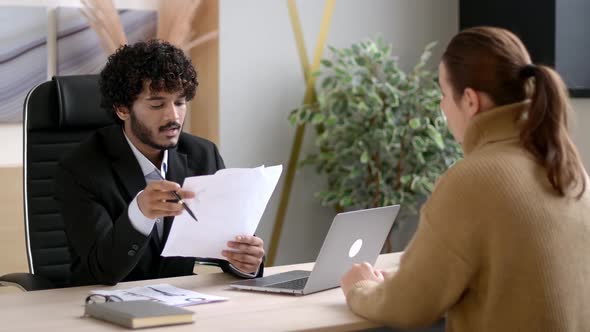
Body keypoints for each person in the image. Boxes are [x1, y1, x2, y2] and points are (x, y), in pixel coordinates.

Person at [340, 26, 590, 331]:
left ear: (471, 100)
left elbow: (409, 307)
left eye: (445, 95)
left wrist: (360, 288)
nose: (443, 107)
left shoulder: (473, 179)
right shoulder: (566, 166)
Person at [55, 40, 264, 286]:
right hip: (99, 306)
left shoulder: (203, 154)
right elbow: (103, 271)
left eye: (180, 102)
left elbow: (222, 247)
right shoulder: (80, 169)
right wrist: (140, 214)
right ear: (122, 109)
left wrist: (245, 261)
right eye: (157, 104)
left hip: (180, 303)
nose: (173, 117)